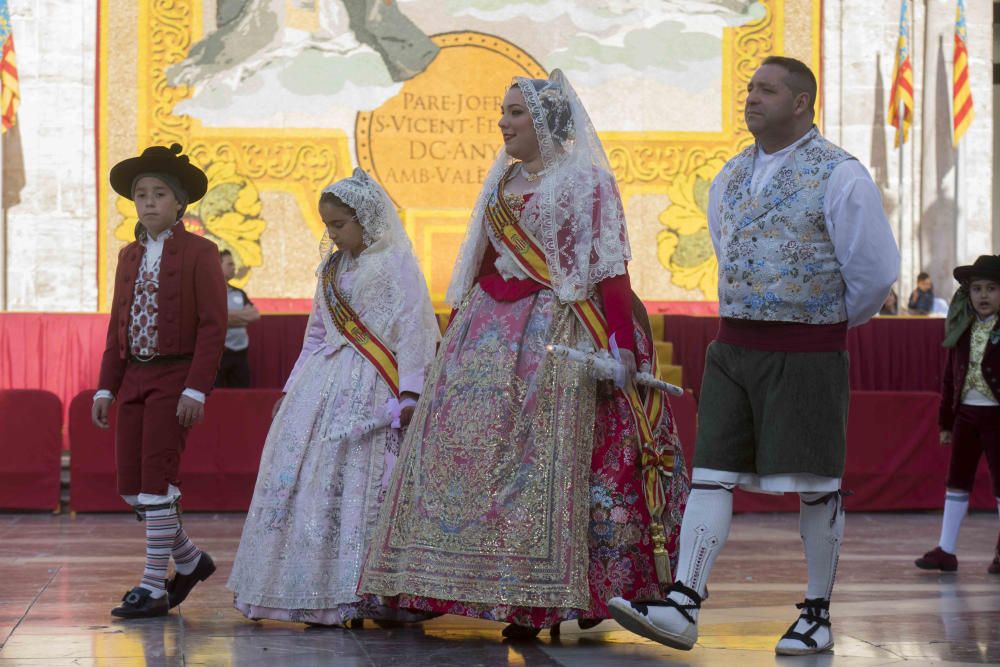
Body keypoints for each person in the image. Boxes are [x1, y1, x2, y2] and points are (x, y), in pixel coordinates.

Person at [359, 70, 689, 638]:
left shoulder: (586, 182)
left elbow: (609, 268)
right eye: (503, 111)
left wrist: (620, 345)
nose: (503, 122)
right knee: (475, 463)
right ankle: (475, 585)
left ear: (545, 122)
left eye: (514, 113)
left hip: (557, 333)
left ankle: (541, 600)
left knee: (545, 468)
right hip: (487, 334)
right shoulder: (503, 184)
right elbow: (485, 266)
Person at [607, 56, 898, 656]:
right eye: (749, 88)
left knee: (815, 483)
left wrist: (822, 321)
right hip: (734, 344)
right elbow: (726, 245)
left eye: (767, 90)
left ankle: (816, 614)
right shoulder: (731, 175)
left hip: (808, 350)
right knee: (711, 473)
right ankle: (684, 603)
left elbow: (873, 272)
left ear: (801, 103)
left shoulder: (841, 174)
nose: (752, 98)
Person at [226, 168, 440, 626]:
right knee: (310, 482)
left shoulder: (396, 263)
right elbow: (316, 335)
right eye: (328, 225)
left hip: (374, 385)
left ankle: (367, 590)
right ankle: (310, 587)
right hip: (321, 387)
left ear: (366, 218)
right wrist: (290, 389)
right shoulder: (331, 268)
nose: (333, 233)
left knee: (367, 484)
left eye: (340, 224)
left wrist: (410, 391)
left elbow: (415, 329)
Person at [92, 144, 227, 619]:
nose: (148, 202)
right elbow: (118, 325)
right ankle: (190, 561)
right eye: (141, 195)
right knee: (132, 487)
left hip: (175, 376)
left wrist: (196, 387)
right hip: (133, 377)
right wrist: (106, 386)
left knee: (157, 480)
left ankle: (153, 586)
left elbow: (213, 325)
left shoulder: (201, 252)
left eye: (159, 194)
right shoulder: (128, 256)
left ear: (179, 203)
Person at [915, 255, 1000, 575]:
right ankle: (946, 550)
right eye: (977, 289)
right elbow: (950, 377)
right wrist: (945, 422)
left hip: (997, 417)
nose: (983, 296)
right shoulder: (961, 329)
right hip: (966, 415)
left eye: (992, 288)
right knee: (956, 482)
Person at [216, 249, 260, 388]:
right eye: (230, 264)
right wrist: (241, 317)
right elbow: (215, 317)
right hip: (219, 355)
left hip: (240, 354)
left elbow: (255, 315)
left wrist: (228, 316)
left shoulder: (239, 293)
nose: (234, 267)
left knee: (242, 396)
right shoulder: (210, 292)